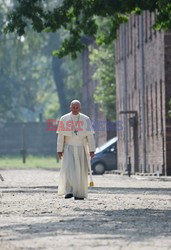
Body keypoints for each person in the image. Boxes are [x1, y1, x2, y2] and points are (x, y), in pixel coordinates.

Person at [56, 100, 95, 200]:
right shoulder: (64, 118)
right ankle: (69, 191)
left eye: (77, 107)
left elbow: (90, 136)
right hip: (68, 148)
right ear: (70, 107)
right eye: (73, 107)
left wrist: (92, 150)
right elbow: (61, 136)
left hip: (81, 148)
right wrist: (59, 150)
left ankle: (79, 193)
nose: (75, 109)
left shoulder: (85, 119)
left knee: (81, 171)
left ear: (80, 108)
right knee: (68, 169)